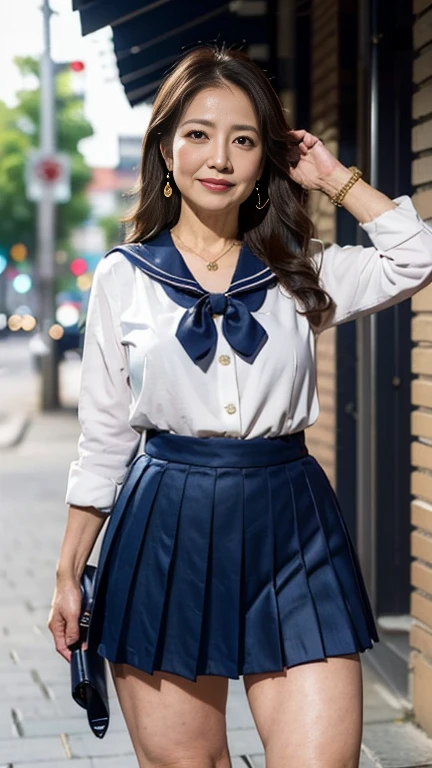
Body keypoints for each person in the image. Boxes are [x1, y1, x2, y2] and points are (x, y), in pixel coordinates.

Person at [48, 44, 432, 768]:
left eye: (244, 139)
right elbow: (102, 442)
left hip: (293, 525)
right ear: (164, 149)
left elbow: (415, 255)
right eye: (197, 133)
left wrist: (333, 176)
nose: (218, 156)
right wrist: (69, 573)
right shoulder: (121, 280)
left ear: (266, 159)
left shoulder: (300, 269)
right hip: (165, 528)